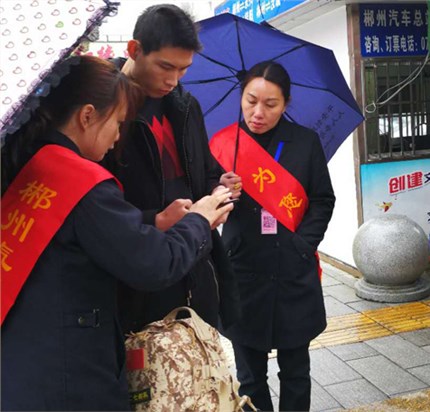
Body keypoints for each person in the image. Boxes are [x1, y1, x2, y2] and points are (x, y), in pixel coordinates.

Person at [0, 55, 234, 411]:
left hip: (26, 362)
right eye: (119, 123)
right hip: (70, 380)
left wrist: (154, 222)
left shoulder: (34, 162)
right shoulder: (80, 181)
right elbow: (156, 265)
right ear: (88, 115)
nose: (117, 137)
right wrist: (200, 220)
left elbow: (88, 232)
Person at [104, 3, 240, 334]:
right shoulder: (104, 107)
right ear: (134, 49)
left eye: (183, 69)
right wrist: (155, 219)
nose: (173, 79)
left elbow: (203, 170)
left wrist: (218, 189)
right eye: (165, 66)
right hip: (139, 276)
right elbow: (96, 204)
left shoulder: (186, 105)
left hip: (196, 265)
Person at [210, 61, 336, 411]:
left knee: (296, 371)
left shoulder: (305, 142)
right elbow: (203, 200)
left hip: (292, 269)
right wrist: (219, 190)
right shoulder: (223, 145)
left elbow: (322, 199)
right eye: (251, 101)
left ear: (286, 103)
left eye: (271, 104)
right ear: (241, 96)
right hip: (243, 271)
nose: (258, 112)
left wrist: (303, 245)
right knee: (249, 376)